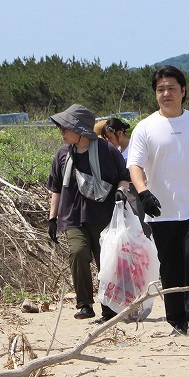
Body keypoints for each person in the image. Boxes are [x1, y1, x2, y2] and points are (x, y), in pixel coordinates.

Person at [128, 66, 189, 342]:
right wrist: (144, 193)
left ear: (183, 91)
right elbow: (134, 166)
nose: (166, 93)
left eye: (171, 88)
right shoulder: (145, 128)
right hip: (161, 211)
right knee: (170, 265)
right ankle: (177, 319)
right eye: (160, 89)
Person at [47, 104, 129, 321]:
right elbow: (55, 187)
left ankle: (109, 306)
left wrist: (120, 192)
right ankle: (85, 304)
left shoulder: (107, 150)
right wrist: (52, 218)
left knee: (106, 261)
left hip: (104, 216)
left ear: (80, 129)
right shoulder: (62, 154)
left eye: (65, 128)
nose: (62, 132)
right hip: (72, 216)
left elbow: (124, 176)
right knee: (78, 253)